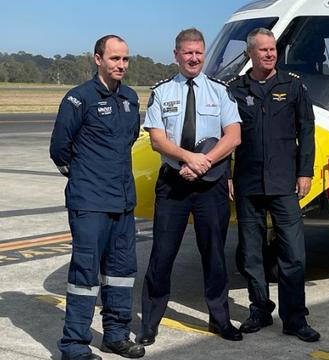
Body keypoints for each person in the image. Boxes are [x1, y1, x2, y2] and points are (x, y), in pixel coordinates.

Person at [137, 28, 242, 346]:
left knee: (214, 255)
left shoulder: (220, 92)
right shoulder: (161, 92)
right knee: (162, 255)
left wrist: (204, 163)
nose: (194, 58)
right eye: (187, 52)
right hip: (173, 185)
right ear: (176, 55)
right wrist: (188, 159)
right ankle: (150, 323)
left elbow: (233, 136)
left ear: (204, 53)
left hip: (211, 186)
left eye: (198, 52)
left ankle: (220, 319)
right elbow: (157, 140)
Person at [50, 35, 144, 360]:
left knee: (121, 272)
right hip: (89, 203)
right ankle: (74, 345)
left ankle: (116, 335)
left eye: (125, 60)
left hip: (122, 202)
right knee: (84, 275)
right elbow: (59, 149)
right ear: (98, 59)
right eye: (115, 58)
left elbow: (130, 140)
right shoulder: (79, 99)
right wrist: (83, 178)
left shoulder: (131, 99)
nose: (121, 65)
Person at [228, 27, 320, 342]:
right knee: (251, 252)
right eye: (264, 50)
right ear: (250, 54)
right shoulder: (235, 90)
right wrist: (228, 173)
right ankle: (259, 310)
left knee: (293, 253)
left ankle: (294, 318)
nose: (270, 54)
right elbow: (225, 135)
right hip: (248, 182)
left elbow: (307, 130)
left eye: (273, 49)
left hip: (284, 182)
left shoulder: (292, 87)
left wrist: (305, 172)